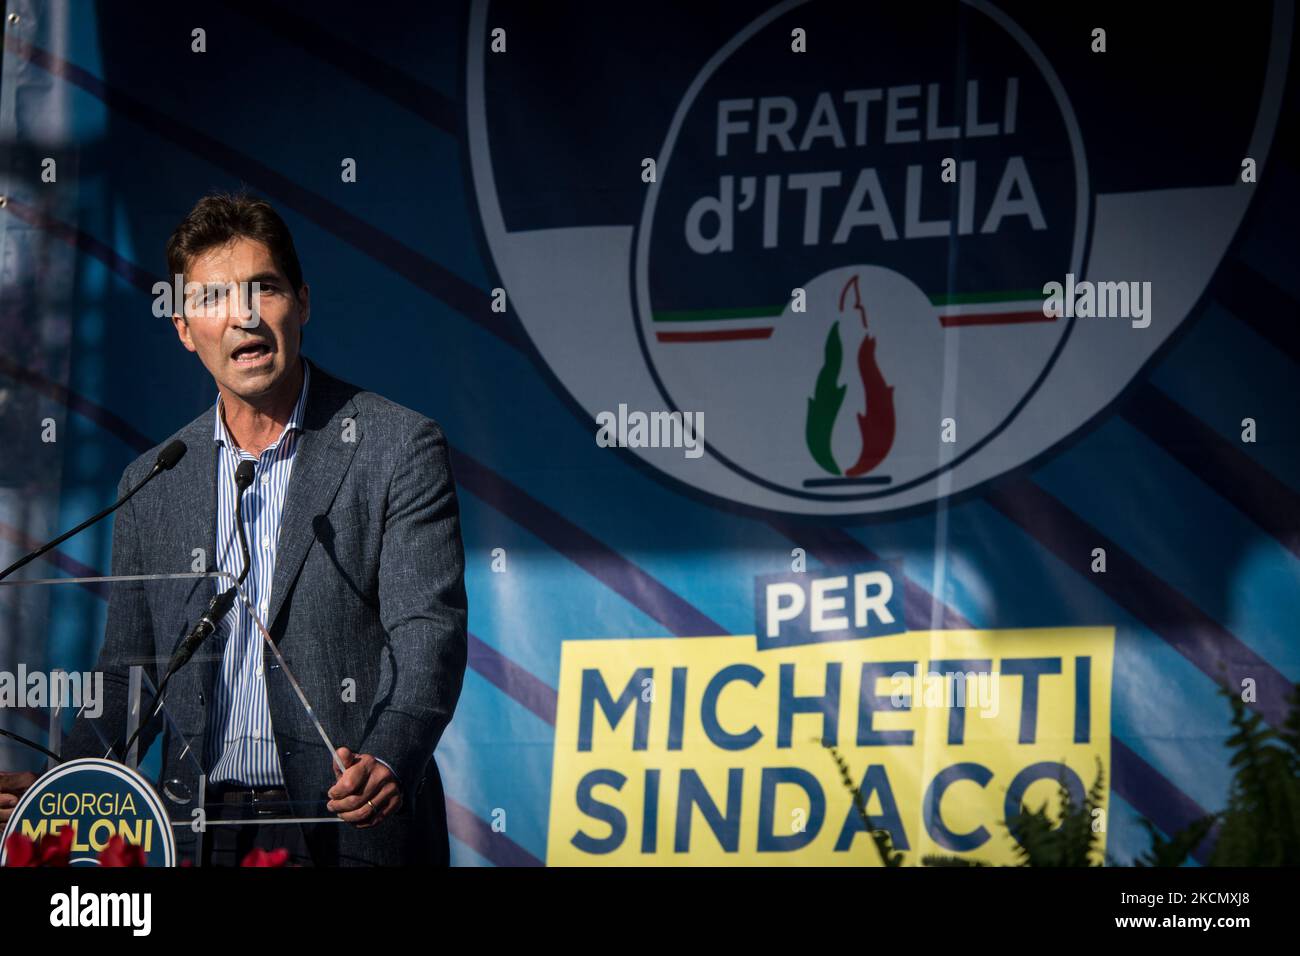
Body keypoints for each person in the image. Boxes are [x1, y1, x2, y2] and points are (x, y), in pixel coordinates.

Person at [0, 192, 468, 865]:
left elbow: (429, 634)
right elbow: (130, 674)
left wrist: (390, 757)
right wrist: (65, 788)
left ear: (302, 303)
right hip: (196, 837)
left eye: (264, 289)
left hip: (348, 827)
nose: (243, 316)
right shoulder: (152, 480)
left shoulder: (396, 447)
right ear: (186, 328)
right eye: (215, 297)